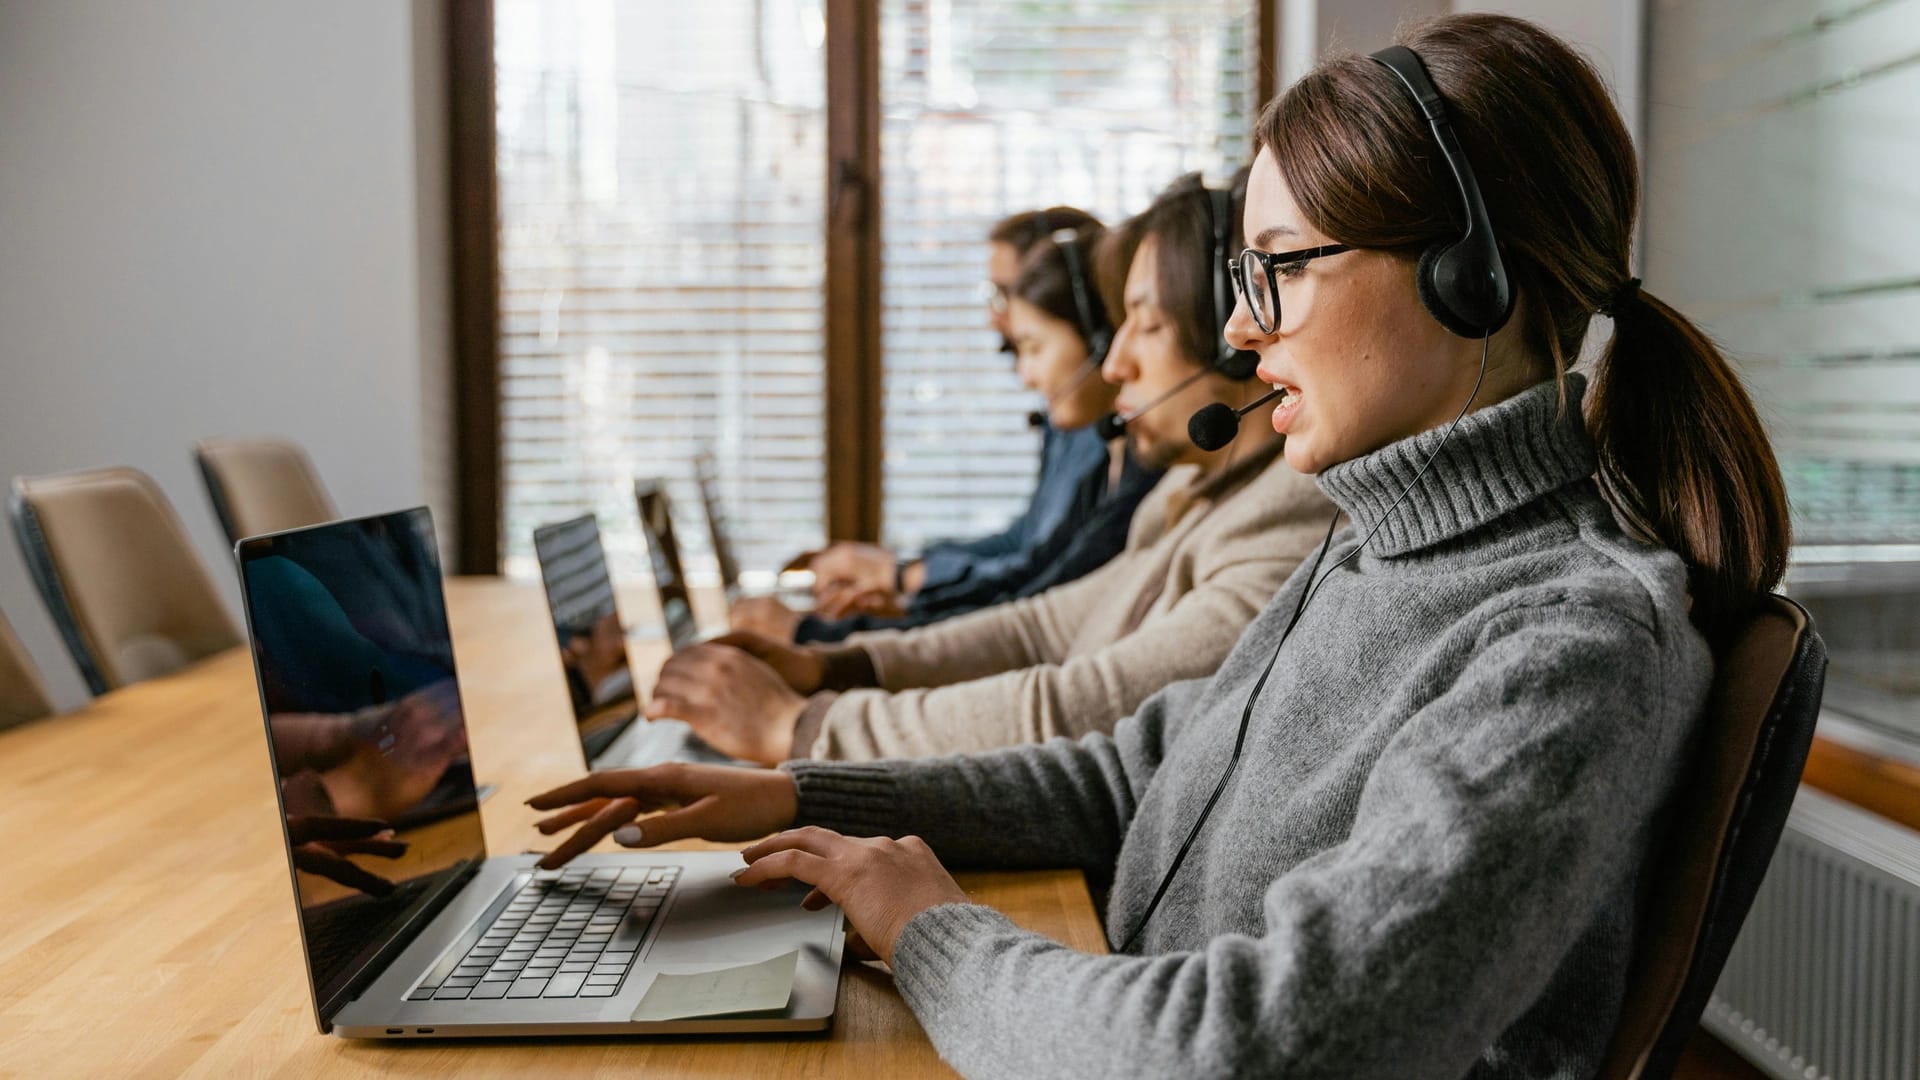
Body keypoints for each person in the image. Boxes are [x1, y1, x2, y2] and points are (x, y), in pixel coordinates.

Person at [530, 14, 1792, 1074]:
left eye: (1281, 270)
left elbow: (1263, 1049)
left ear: (1474, 277)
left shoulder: (1572, 641)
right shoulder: (1373, 548)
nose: (1240, 338)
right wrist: (811, 799)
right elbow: (1136, 775)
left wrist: (935, 936)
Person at [645, 174, 1335, 764]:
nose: (1116, 362)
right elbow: (1036, 628)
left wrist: (797, 725)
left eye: (1145, 326)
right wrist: (836, 663)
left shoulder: (1283, 519)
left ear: (1234, 345)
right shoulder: (1193, 489)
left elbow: (1079, 703)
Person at [734, 222, 1163, 644]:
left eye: (1006, 291)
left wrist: (850, 626)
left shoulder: (1130, 462)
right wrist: (906, 602)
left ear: (1096, 331)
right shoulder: (1102, 448)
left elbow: (1033, 607)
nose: (999, 316)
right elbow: (1032, 572)